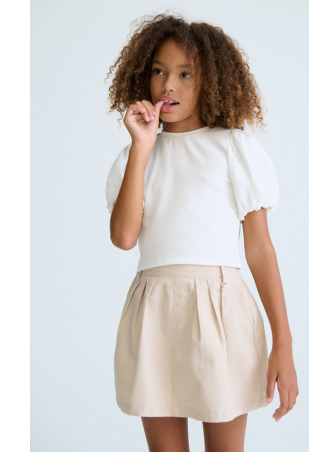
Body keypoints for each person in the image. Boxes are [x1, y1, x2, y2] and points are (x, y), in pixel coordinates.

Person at [104, 12, 299, 452]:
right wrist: (142, 147)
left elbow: (260, 250)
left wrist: (283, 343)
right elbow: (124, 238)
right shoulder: (135, 156)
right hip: (154, 310)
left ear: (210, 80)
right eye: (159, 71)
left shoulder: (233, 148)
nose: (167, 86)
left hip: (220, 310)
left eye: (184, 74)